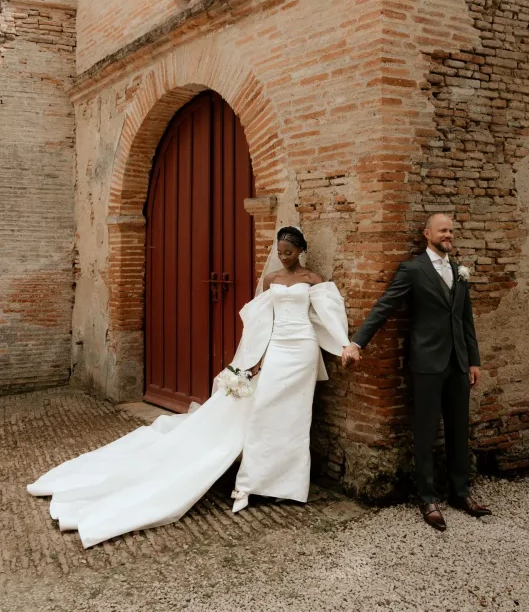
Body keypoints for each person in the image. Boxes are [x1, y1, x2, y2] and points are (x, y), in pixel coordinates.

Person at [27, 226, 354, 547]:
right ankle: (256, 482)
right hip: (278, 349)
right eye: (279, 252)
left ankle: (289, 486)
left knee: (296, 418)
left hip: (303, 350)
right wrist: (251, 362)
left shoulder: (313, 280)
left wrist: (346, 346)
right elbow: (259, 324)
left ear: (301, 250)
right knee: (264, 413)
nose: (282, 258)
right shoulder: (270, 281)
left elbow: (329, 316)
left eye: (289, 252)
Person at [342, 213, 491, 531]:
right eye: (443, 230)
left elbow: (466, 320)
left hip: (458, 364)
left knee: (458, 430)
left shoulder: (458, 270)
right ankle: (428, 498)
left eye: (451, 230)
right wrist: (357, 343)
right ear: (427, 234)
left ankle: (460, 493)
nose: (449, 235)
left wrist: (473, 361)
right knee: (424, 433)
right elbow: (385, 306)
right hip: (426, 364)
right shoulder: (412, 269)